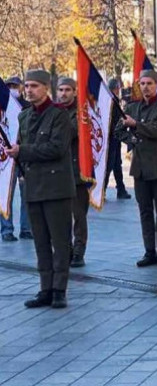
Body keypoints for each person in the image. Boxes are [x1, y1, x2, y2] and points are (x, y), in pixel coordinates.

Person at [7, 70, 76, 309]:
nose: (29, 90)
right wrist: (21, 163)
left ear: (47, 88)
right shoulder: (25, 116)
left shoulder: (59, 115)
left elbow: (56, 148)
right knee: (41, 242)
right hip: (34, 186)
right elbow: (23, 146)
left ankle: (59, 290)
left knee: (60, 240)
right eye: (26, 86)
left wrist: (22, 152)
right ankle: (45, 288)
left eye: (34, 86)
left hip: (57, 187)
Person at [121, 69, 157, 267]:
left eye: (149, 83)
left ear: (156, 85)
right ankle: (149, 250)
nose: (145, 87)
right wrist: (131, 138)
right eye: (142, 83)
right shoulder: (133, 107)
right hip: (141, 167)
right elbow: (119, 130)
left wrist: (135, 126)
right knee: (144, 211)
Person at [55, 77, 89, 268]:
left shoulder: (81, 113)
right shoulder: (54, 111)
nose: (63, 94)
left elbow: (70, 133)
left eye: (67, 89)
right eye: (60, 90)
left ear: (75, 92)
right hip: (57, 172)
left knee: (78, 215)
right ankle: (64, 250)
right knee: (60, 216)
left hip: (77, 172)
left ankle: (78, 251)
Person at [1, 76, 32, 242]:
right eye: (9, 86)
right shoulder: (2, 106)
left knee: (27, 194)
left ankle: (26, 228)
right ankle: (6, 229)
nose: (12, 88)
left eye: (15, 86)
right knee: (6, 193)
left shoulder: (28, 107)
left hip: (24, 154)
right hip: (6, 158)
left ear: (20, 88)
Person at [104, 78, 131, 199]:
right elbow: (114, 120)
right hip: (112, 136)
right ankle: (102, 190)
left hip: (114, 137)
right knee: (110, 164)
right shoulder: (111, 101)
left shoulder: (109, 100)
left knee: (116, 164)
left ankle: (121, 189)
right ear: (116, 88)